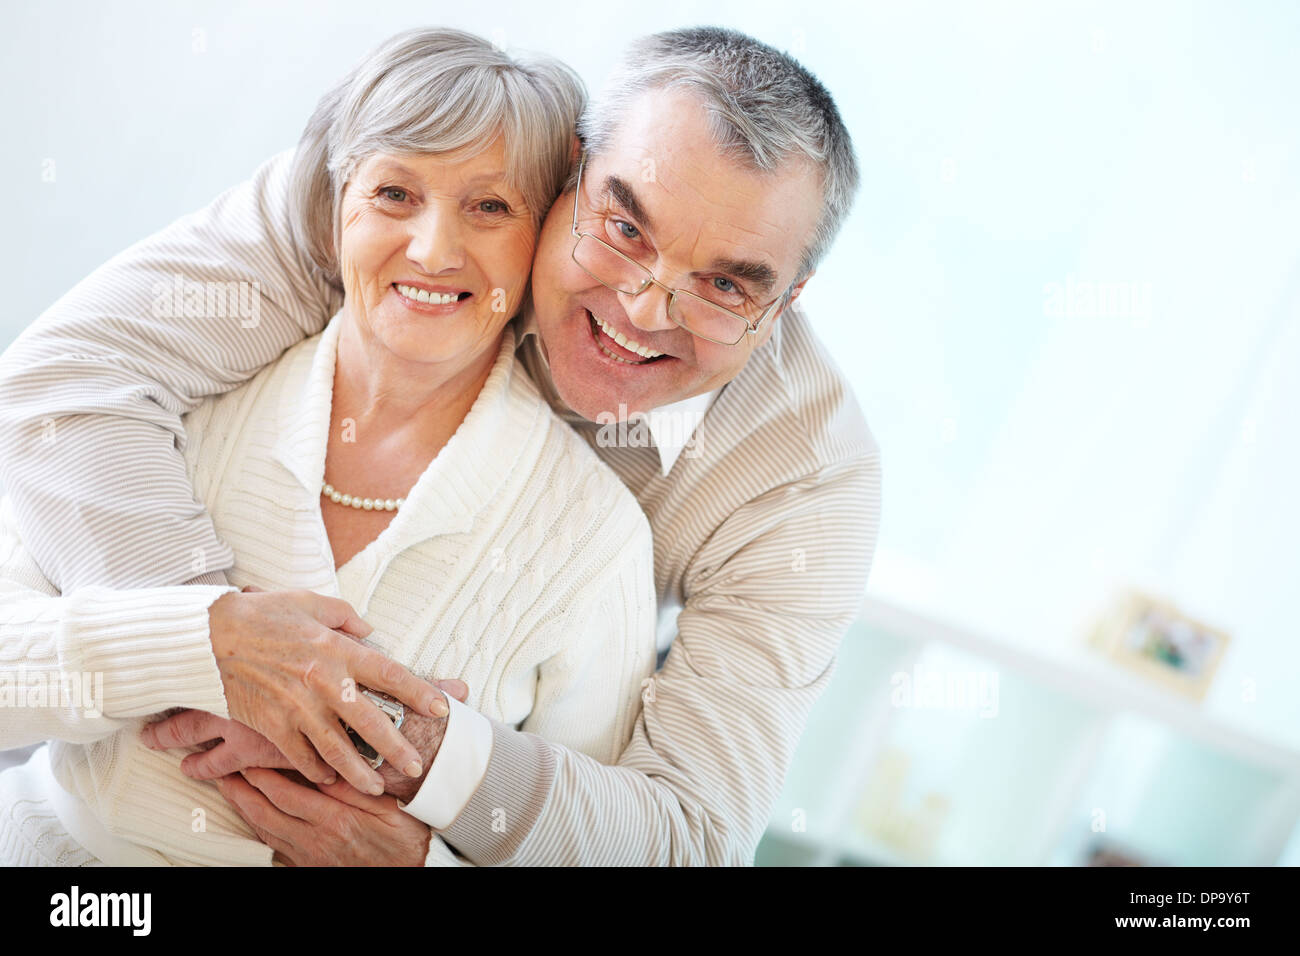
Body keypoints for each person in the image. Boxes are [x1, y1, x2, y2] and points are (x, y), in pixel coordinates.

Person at [0, 25, 880, 865]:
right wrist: (218, 648)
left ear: (790, 300)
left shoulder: (803, 490)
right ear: (573, 173)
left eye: (725, 285)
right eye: (624, 229)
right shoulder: (390, 202)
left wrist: (420, 784)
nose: (644, 312)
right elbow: (66, 381)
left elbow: (690, 835)